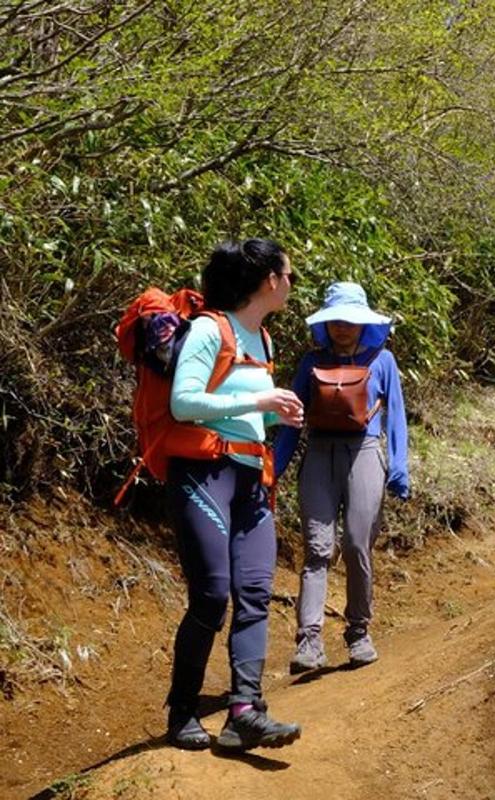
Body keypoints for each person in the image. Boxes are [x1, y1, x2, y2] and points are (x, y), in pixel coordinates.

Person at [165, 238, 303, 751]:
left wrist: (274, 413)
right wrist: (263, 397)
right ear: (270, 279)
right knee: (212, 593)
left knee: (254, 592)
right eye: (289, 275)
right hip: (204, 472)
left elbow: (246, 410)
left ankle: (244, 711)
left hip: (250, 476)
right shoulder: (209, 329)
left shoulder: (262, 338)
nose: (291, 284)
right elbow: (183, 403)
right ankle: (182, 711)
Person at [274, 282, 410, 674]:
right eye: (336, 320)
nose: (343, 327)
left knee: (355, 544)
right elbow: (292, 421)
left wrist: (399, 468)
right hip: (319, 454)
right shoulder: (310, 363)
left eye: (350, 320)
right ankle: (309, 640)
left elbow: (396, 416)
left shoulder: (382, 360)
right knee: (317, 549)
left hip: (365, 453)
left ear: (364, 322)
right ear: (326, 323)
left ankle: (358, 630)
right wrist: (274, 467)